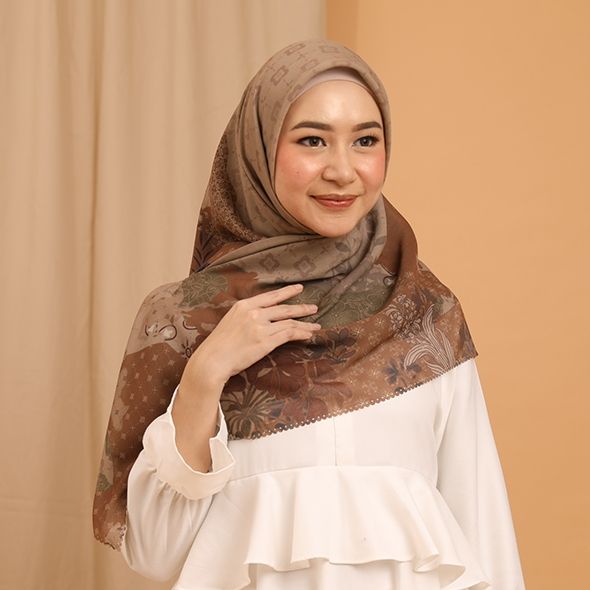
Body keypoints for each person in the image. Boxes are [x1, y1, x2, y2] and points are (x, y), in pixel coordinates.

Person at [93, 40, 525, 589]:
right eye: (312, 140)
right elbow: (156, 553)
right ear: (258, 150)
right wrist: (204, 376)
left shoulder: (423, 313)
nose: (343, 171)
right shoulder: (182, 318)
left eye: (365, 140)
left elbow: (481, 526)